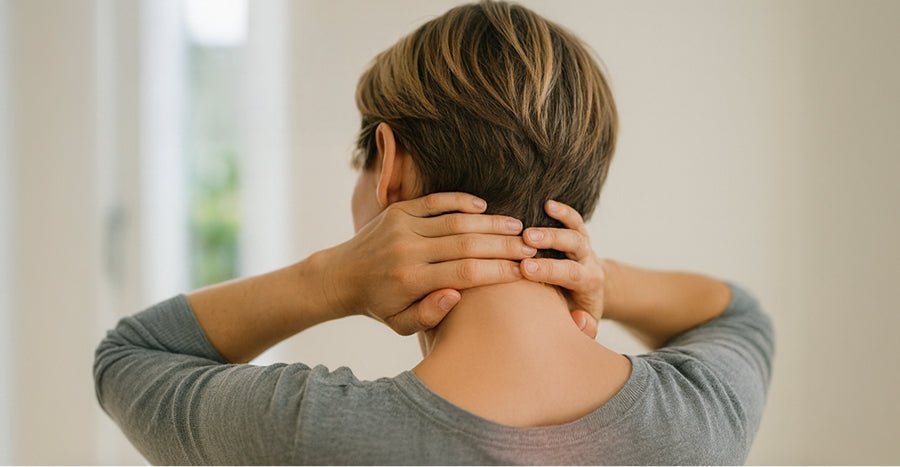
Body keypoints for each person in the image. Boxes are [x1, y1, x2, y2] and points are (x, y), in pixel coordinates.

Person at [94, 1, 774, 464]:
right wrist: (600, 278)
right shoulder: (700, 419)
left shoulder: (313, 435)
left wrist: (330, 278)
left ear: (390, 166)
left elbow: (130, 354)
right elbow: (735, 312)